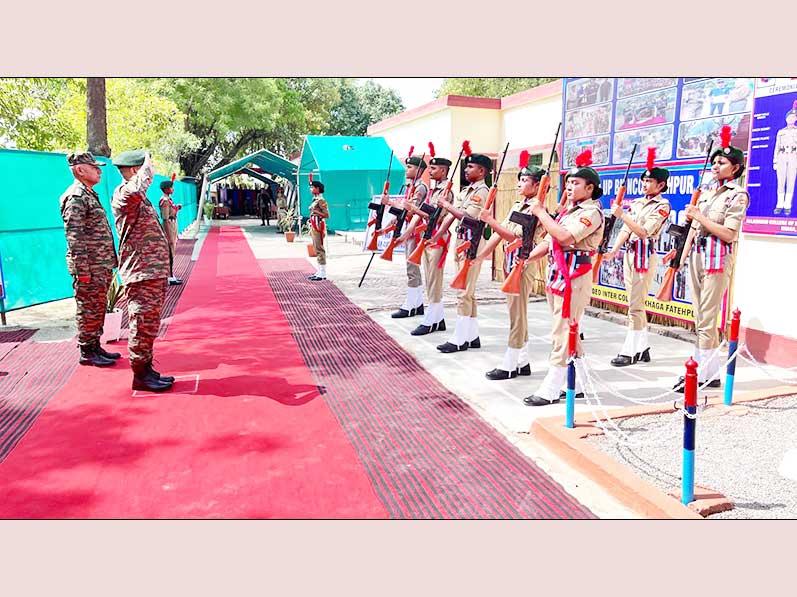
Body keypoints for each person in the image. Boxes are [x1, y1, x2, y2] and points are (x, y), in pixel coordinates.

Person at [521, 150, 605, 406]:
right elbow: (549, 241)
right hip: (558, 272)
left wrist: (540, 212)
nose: (569, 187)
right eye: (568, 182)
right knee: (568, 330)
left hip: (574, 275)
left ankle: (552, 386)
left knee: (562, 330)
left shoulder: (590, 212)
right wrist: (526, 259)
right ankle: (577, 382)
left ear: (590, 188)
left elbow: (566, 238)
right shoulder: (569, 211)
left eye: (576, 183)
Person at [673, 125, 750, 392]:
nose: (716, 166)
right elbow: (694, 229)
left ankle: (701, 372)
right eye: (714, 161)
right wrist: (680, 257)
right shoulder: (707, 193)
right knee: (699, 315)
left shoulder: (737, 195)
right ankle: (707, 369)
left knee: (707, 317)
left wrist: (699, 216)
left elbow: (729, 233)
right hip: (697, 254)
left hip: (717, 259)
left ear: (735, 168)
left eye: (722, 162)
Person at [474, 152, 547, 379]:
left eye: (525, 180)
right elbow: (500, 233)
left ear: (537, 186)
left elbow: (510, 234)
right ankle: (522, 360)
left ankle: (510, 363)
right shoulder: (519, 205)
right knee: (515, 313)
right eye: (520, 179)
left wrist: (489, 220)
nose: (519, 184)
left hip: (523, 264)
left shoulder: (536, 210)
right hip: (510, 262)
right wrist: (482, 255)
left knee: (517, 314)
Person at [111, 150, 174, 393]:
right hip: (140, 271)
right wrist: (147, 163)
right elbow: (136, 188)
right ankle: (140, 374)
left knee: (150, 322)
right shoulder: (124, 194)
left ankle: (146, 368)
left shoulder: (139, 198)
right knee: (142, 322)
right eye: (145, 167)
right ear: (136, 170)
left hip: (151, 270)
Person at [604, 147, 672, 366]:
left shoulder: (662, 205)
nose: (645, 184)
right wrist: (615, 248)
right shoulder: (637, 203)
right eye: (643, 181)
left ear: (660, 185)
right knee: (634, 304)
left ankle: (630, 350)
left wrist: (622, 214)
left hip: (644, 255)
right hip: (630, 254)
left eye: (649, 181)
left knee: (635, 305)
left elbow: (644, 231)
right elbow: (627, 229)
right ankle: (642, 347)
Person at [59, 152, 121, 367]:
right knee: (88, 308)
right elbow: (74, 237)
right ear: (79, 170)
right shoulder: (76, 197)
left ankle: (95, 346)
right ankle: (87, 350)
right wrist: (83, 270)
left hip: (100, 264)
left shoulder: (88, 194)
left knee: (97, 306)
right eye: (94, 167)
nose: (99, 170)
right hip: (89, 267)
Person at [433, 149, 491, 353]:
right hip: (462, 241)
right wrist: (439, 232)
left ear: (482, 171)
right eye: (466, 166)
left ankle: (459, 339)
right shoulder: (468, 191)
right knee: (469, 292)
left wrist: (446, 205)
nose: (466, 170)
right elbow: (452, 215)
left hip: (472, 243)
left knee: (463, 292)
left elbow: (469, 218)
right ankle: (472, 335)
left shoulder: (482, 192)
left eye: (471, 167)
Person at [400, 142, 452, 335]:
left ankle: (433, 318)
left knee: (434, 280)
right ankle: (436, 318)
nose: (430, 170)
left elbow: (438, 216)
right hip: (427, 237)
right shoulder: (433, 190)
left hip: (438, 239)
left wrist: (415, 210)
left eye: (434, 168)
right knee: (430, 279)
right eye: (429, 167)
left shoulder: (447, 191)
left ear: (444, 170)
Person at [391, 154, 429, 319]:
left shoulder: (420, 188)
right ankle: (417, 303)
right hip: (410, 227)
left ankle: (411, 304)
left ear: (419, 170)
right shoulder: (411, 186)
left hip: (415, 230)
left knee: (412, 268)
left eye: (410, 167)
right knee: (410, 267)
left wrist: (390, 203)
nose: (407, 170)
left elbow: (411, 207)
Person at [774, 101, 797, 216]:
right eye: (790, 117)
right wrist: (775, 161)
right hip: (781, 156)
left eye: (794, 117)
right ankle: (779, 205)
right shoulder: (781, 132)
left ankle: (787, 205)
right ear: (786, 118)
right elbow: (777, 146)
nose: (791, 119)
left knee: (791, 181)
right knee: (781, 182)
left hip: (793, 156)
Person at [159, 179, 183, 286]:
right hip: (169, 226)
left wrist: (177, 208)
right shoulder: (164, 201)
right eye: (171, 187)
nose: (173, 189)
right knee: (170, 252)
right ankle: (169, 276)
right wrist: (168, 235)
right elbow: (165, 218)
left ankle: (171, 275)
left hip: (172, 224)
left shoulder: (168, 200)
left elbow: (171, 212)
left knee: (172, 252)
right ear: (166, 189)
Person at [307, 180, 330, 281]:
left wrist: (315, 211)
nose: (311, 189)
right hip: (314, 224)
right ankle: (319, 270)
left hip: (318, 225)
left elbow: (327, 215)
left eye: (313, 187)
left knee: (319, 248)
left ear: (317, 188)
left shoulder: (321, 200)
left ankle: (323, 273)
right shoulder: (315, 199)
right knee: (316, 248)